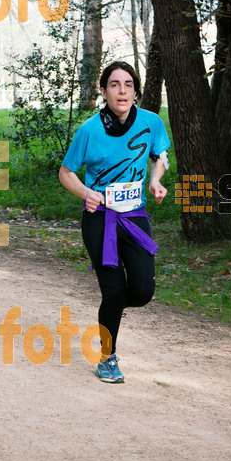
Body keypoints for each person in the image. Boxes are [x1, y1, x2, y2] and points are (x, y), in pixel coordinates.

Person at [59, 61, 170, 383]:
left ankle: (114, 306)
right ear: (104, 90)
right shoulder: (89, 130)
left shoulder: (150, 122)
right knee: (113, 289)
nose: (122, 91)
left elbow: (160, 154)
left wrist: (155, 180)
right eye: (114, 84)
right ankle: (107, 358)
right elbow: (66, 172)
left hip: (134, 217)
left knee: (143, 291)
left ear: (136, 90)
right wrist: (86, 193)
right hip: (100, 219)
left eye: (128, 85)